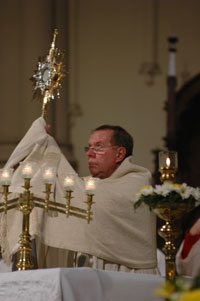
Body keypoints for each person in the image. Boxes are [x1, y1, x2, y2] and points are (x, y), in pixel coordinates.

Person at [0, 118, 157, 274]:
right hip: (89, 273)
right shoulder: (88, 185)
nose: (89, 153)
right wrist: (39, 153)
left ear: (119, 154)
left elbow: (102, 201)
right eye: (88, 147)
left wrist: (49, 149)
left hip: (127, 274)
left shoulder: (137, 182)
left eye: (99, 147)